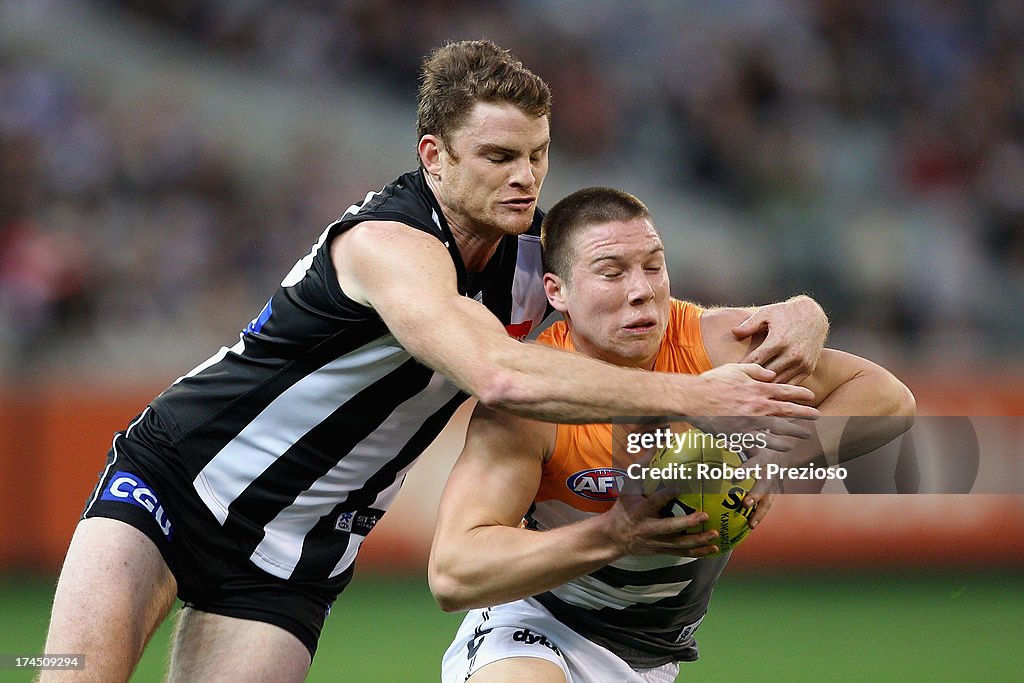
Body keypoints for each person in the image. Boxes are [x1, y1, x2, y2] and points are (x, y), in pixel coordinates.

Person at [39, 41, 827, 682]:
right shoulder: (388, 245)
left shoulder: (536, 256)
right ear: (434, 156)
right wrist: (690, 401)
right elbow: (500, 374)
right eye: (496, 155)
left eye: (538, 153)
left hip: (299, 552)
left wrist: (799, 314)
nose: (523, 176)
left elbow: (644, 303)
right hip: (179, 477)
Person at [430, 187, 916, 683]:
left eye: (654, 266)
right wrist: (613, 533)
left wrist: (772, 461)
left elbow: (888, 398)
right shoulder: (533, 400)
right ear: (557, 292)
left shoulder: (718, 347)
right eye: (611, 272)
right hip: (539, 626)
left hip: (655, 655)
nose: (641, 290)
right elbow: (453, 571)